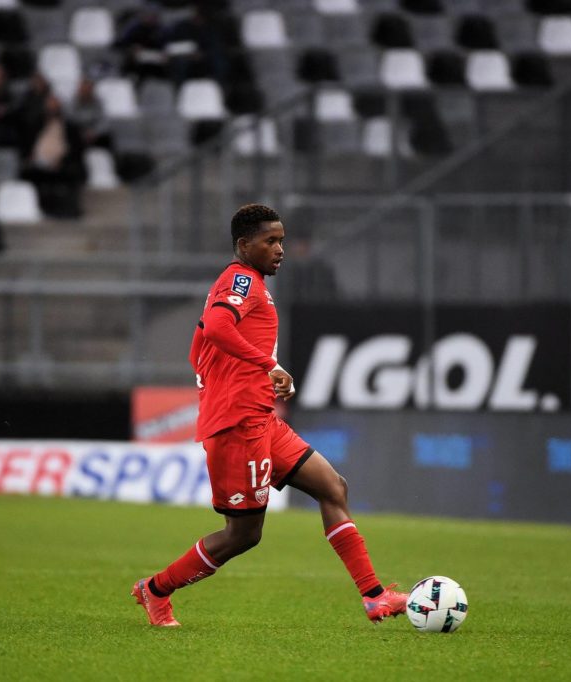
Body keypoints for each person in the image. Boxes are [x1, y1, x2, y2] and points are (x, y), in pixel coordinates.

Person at [132, 204, 407, 627]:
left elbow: (201, 345)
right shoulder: (240, 279)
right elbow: (217, 327)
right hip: (237, 425)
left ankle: (375, 596)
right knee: (243, 535)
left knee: (332, 486)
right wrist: (268, 366)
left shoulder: (250, 284)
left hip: (260, 417)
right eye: (270, 241)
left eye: (281, 240)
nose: (280, 249)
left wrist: (254, 377)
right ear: (245, 245)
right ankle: (155, 589)